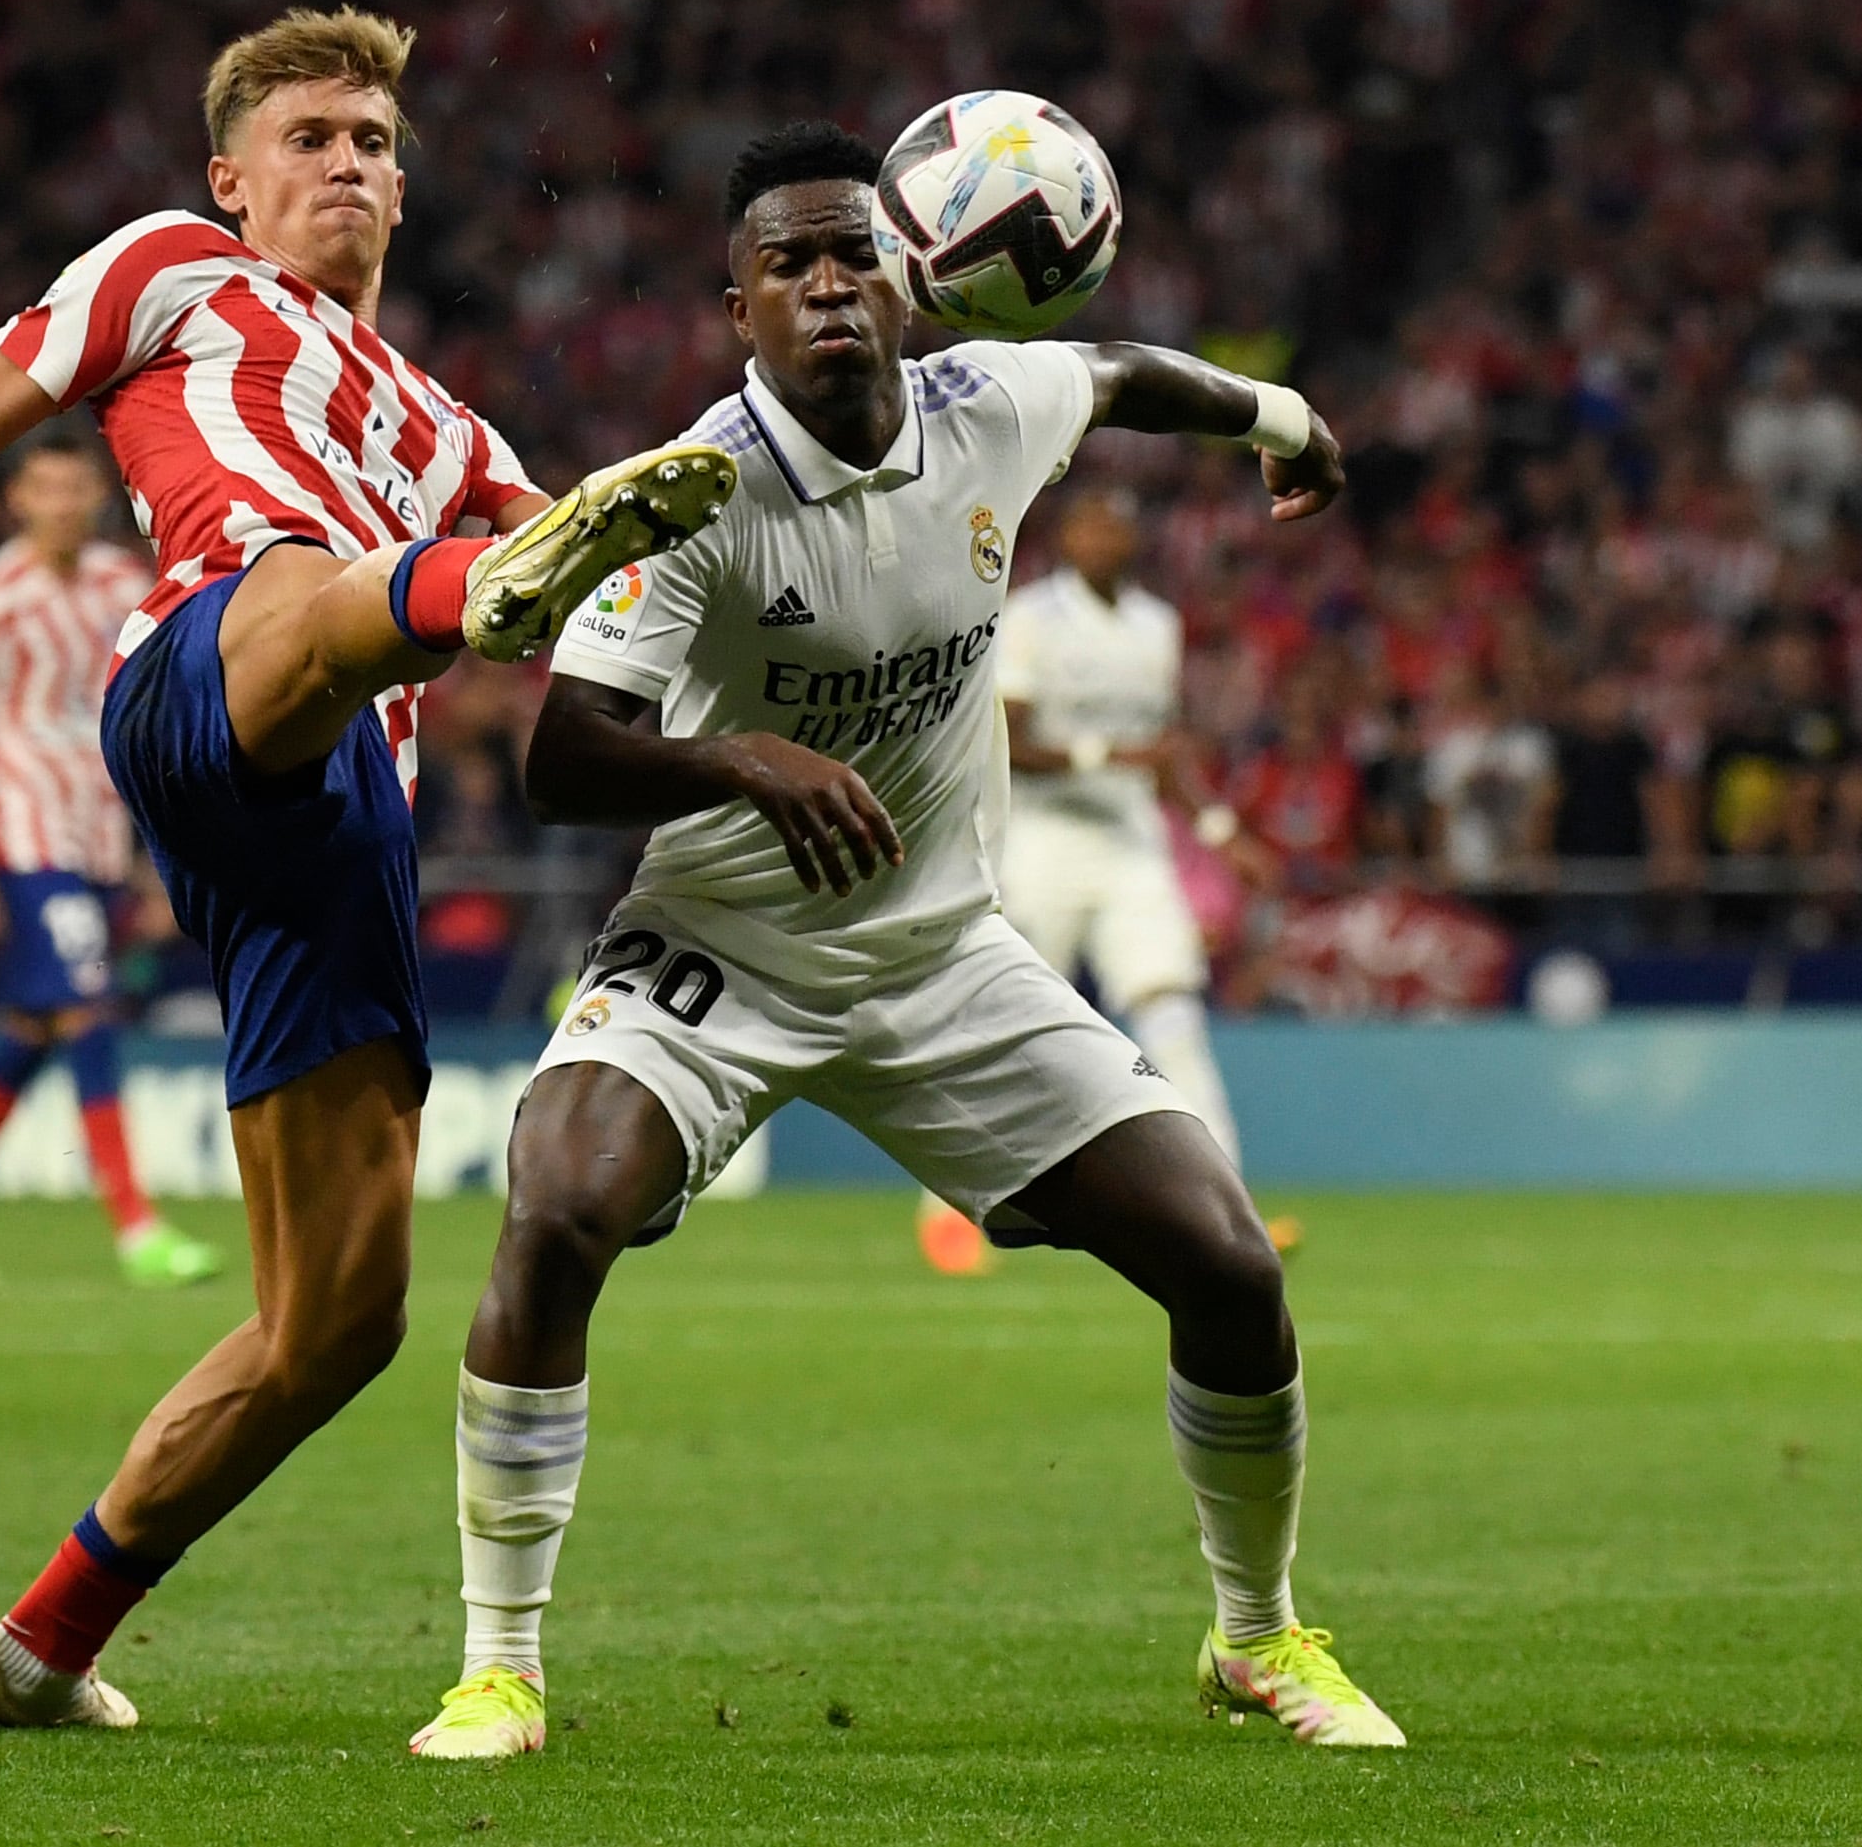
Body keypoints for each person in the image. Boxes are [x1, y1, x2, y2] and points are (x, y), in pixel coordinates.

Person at [0, 8, 735, 1731]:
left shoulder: (445, 422)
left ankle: (39, 1644)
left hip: (342, 842)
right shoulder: (173, 270)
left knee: (333, 1320)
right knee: (301, 592)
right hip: (206, 674)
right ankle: (444, 601)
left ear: (404, 190)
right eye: (312, 136)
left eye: (375, 142)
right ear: (230, 183)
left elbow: (641, 611)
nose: (348, 162)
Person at [408, 123, 1403, 1760]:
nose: (823, 285)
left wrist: (1280, 418)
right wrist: (740, 755)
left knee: (1224, 1260)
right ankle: (497, 1664)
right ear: (735, 308)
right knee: (559, 1202)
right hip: (720, 948)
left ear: (908, 275)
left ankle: (1255, 1629)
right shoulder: (690, 497)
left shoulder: (990, 405)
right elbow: (559, 753)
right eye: (783, 264)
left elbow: (1122, 373)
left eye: (850, 253)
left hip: (945, 954)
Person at [0, 428, 222, 1292]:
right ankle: (136, 1227)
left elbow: (155, 715)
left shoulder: (124, 586)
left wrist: (158, 851)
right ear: (19, 500)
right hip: (25, 838)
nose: (64, 505)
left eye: (78, 490)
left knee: (38, 1020)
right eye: (47, 490)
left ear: (96, 498)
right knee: (86, 1009)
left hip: (101, 836)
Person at [995, 486, 1265, 1166]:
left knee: (1170, 1008)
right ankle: (956, 1200)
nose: (1100, 540)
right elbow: (1006, 740)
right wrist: (1105, 755)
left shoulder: (1156, 626)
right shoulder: (1030, 617)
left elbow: (1164, 754)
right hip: (1042, 841)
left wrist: (1217, 828)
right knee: (1015, 1024)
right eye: (1087, 527)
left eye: (1112, 528)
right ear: (1066, 539)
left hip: (1129, 844)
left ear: (1131, 540)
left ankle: (1223, 1195)